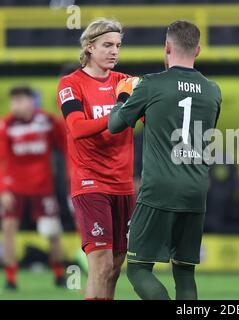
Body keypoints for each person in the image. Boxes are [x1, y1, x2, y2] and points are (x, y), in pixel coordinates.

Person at [108, 20, 221, 300]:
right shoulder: (213, 90)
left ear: (167, 47)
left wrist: (123, 95)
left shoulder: (150, 84)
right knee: (184, 274)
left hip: (159, 188)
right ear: (198, 50)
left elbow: (115, 125)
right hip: (196, 189)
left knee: (138, 269)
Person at [56, 19, 135, 300]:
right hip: (90, 182)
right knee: (100, 264)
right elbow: (77, 128)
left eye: (118, 46)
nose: (114, 51)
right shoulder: (70, 84)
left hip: (123, 184)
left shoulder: (126, 83)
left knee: (114, 266)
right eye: (107, 45)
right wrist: (120, 111)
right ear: (89, 47)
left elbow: (150, 118)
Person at [0, 86, 66, 290]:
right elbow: (1, 159)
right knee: (9, 229)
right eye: (14, 101)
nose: (15, 105)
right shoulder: (6, 125)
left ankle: (59, 274)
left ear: (31, 101)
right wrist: (3, 189)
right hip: (15, 188)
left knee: (52, 231)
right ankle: (11, 278)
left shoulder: (47, 122)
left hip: (42, 188)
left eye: (20, 100)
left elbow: (65, 145)